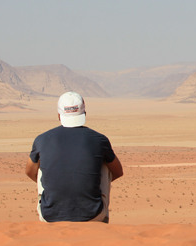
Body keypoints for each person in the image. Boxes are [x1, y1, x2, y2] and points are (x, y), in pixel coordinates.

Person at [25, 91, 123, 222]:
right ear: (84, 114)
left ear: (59, 116)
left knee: (40, 165)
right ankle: (100, 218)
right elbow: (118, 172)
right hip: (93, 215)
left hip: (49, 215)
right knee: (104, 164)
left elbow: (29, 172)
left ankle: (50, 204)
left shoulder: (41, 139)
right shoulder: (100, 140)